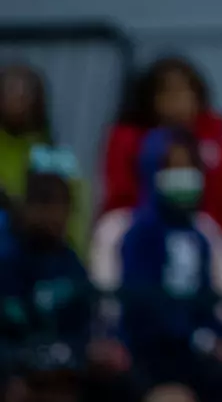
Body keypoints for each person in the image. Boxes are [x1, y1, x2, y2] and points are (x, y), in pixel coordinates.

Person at [87, 129, 222, 402]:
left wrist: (216, 339)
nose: (183, 177)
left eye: (189, 167)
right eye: (172, 167)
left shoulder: (206, 232)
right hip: (137, 350)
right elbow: (106, 301)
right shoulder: (118, 228)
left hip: (197, 354)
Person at [0, 155, 133, 402]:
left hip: (67, 369)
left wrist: (92, 351)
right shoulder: (8, 260)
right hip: (20, 371)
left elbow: (87, 322)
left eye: (62, 206)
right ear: (27, 208)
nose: (54, 216)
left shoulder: (70, 262)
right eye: (45, 205)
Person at [101, 57, 222, 257]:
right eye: (168, 93)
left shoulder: (214, 137)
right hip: (143, 240)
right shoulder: (128, 141)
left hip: (211, 243)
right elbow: (120, 195)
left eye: (185, 92)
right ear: (149, 98)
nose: (178, 101)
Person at [0, 65, 89, 255]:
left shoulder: (56, 155)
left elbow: (77, 214)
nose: (19, 100)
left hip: (48, 252)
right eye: (11, 92)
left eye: (26, 93)